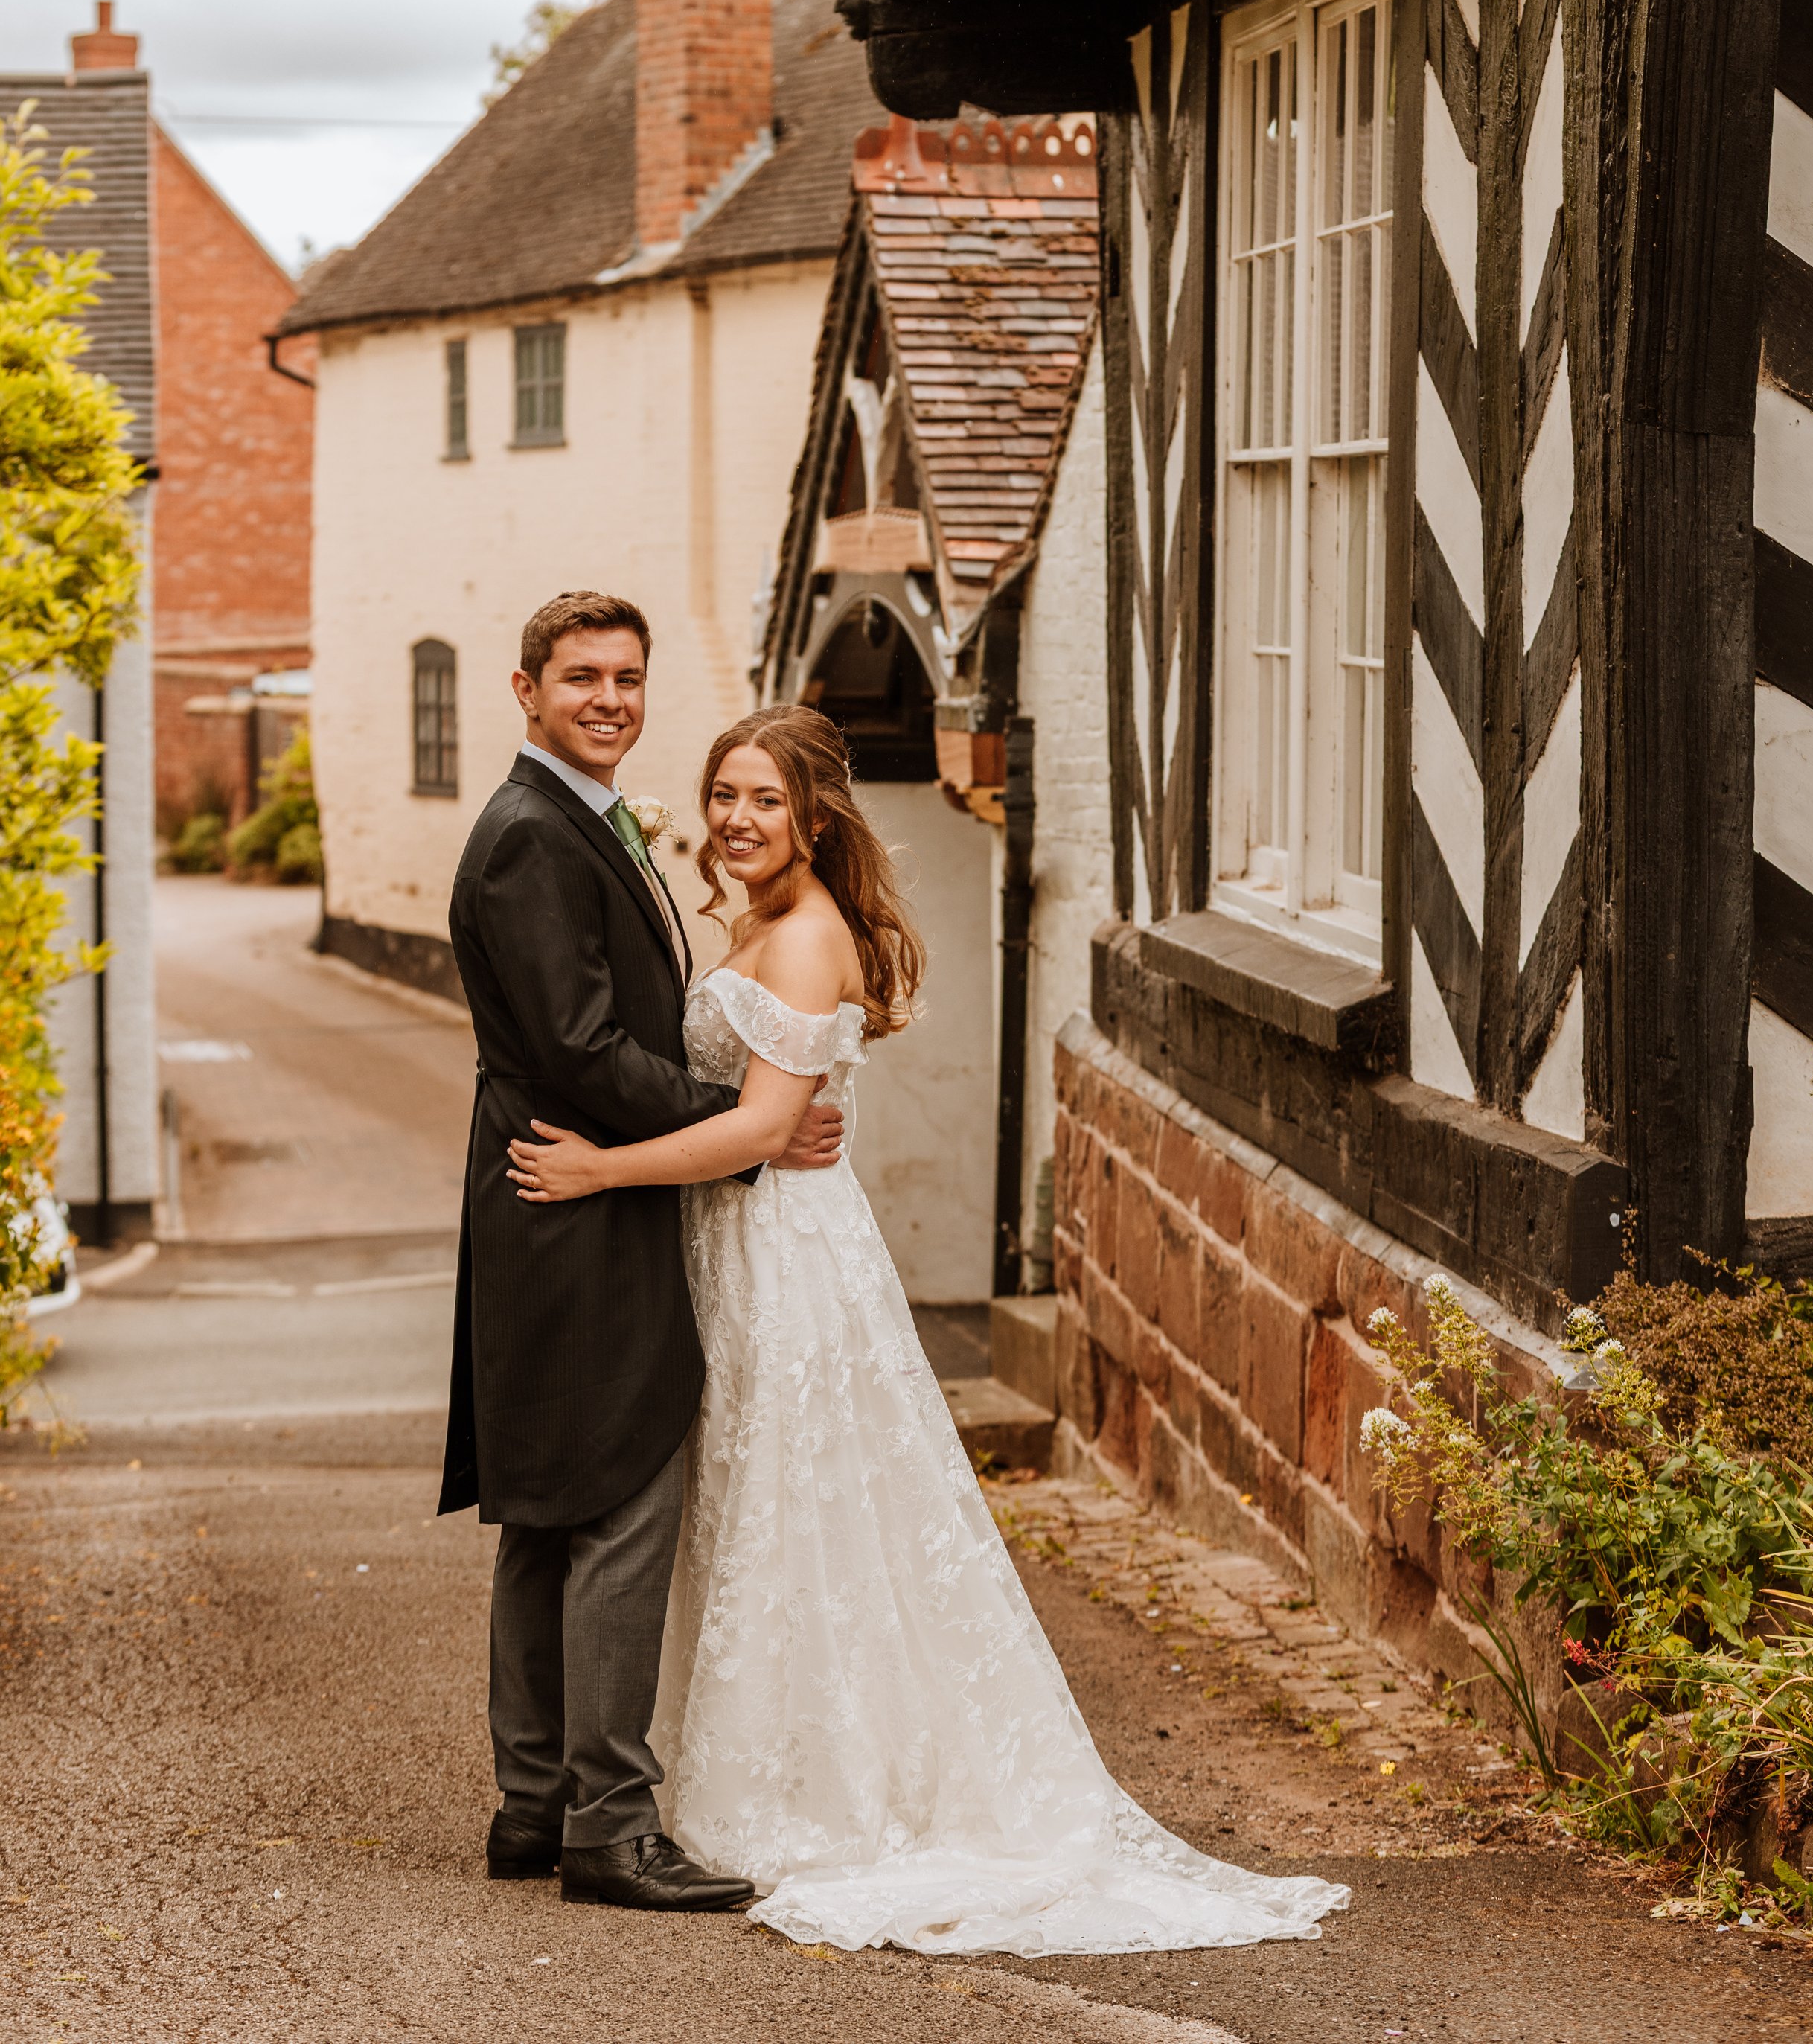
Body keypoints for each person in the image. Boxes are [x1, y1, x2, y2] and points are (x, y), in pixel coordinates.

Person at [508, 702, 1349, 1958]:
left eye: (767, 803)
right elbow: (746, 1107)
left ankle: (810, 1785)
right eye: (724, 794)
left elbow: (752, 1131)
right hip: (727, 1245)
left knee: (798, 1506)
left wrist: (599, 1173)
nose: (738, 819)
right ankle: (706, 1767)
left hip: (780, 1251)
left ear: (818, 819)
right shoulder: (754, 918)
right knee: (751, 1507)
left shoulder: (803, 941)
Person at [438, 595, 845, 1914]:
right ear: (525, 689)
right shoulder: (529, 841)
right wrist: (742, 1128)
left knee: (553, 1502)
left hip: (557, 1196)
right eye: (581, 679)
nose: (609, 699)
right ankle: (608, 1826)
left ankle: (536, 1804)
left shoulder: (570, 822)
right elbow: (582, 1053)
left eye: (627, 678)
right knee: (616, 1497)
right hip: (572, 1199)